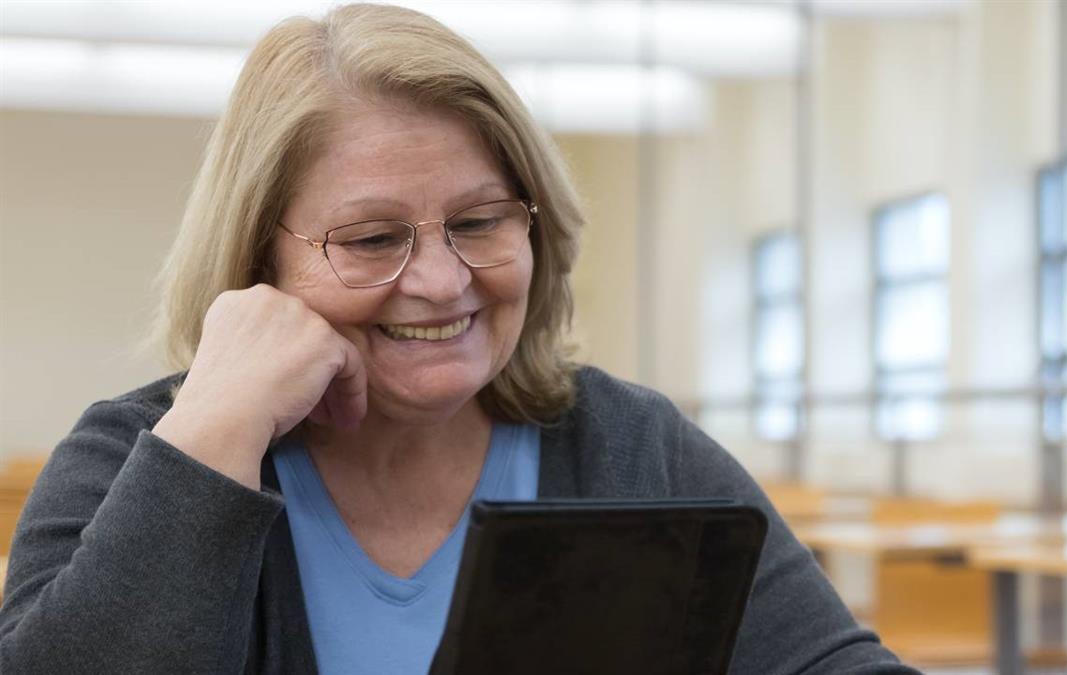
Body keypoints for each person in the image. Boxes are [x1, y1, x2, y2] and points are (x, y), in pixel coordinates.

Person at [0, 5, 917, 673]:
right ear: (257, 262)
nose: (441, 280)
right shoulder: (132, 458)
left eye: (480, 222)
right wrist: (212, 429)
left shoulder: (627, 445)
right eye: (370, 239)